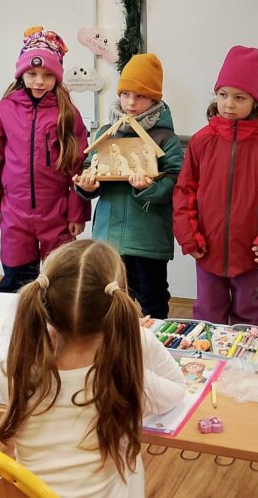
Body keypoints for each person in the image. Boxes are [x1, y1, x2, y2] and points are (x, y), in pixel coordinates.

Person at [0, 240, 186, 498]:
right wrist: (140, 337)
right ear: (117, 301)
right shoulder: (125, 380)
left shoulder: (12, 370)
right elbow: (177, 389)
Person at [173, 45, 258, 326]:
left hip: (250, 254)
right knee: (208, 317)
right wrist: (189, 237)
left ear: (255, 101)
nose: (229, 104)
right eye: (222, 94)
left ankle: (248, 356)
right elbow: (184, 191)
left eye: (239, 97)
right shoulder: (201, 141)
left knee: (248, 317)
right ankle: (208, 355)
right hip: (207, 250)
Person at [0, 27, 90, 293]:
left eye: (47, 75)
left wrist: (77, 213)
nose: (39, 81)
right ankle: (19, 320)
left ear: (57, 77)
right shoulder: (4, 111)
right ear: (21, 75)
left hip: (57, 215)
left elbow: (78, 167)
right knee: (16, 282)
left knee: (60, 282)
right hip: (15, 215)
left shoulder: (67, 114)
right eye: (32, 74)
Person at [73, 53, 184, 318]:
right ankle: (110, 343)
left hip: (147, 240)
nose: (131, 102)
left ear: (154, 99)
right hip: (108, 238)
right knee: (106, 301)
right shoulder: (106, 132)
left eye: (140, 96)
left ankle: (152, 343)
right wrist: (87, 185)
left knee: (153, 301)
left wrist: (148, 188)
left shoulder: (165, 138)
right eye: (125, 94)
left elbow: (176, 180)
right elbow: (91, 167)